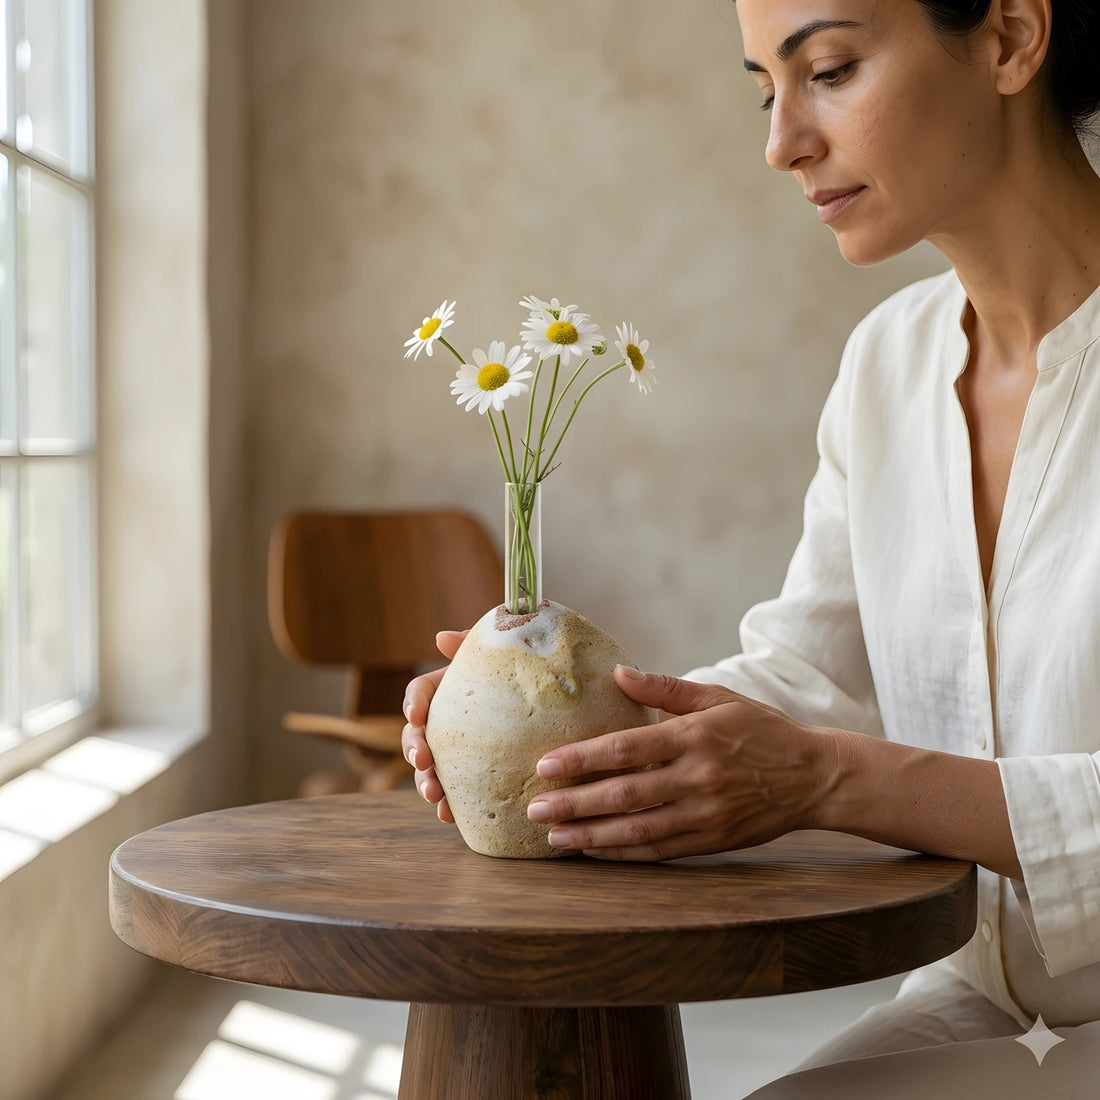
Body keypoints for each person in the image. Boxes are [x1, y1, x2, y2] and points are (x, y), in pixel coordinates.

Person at [402, 1, 1100, 1093]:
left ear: (1010, 36)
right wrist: (566, 735)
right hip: (982, 997)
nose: (781, 143)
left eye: (830, 68)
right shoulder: (888, 363)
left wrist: (830, 778)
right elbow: (806, 678)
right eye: (765, 89)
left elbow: (814, 753)